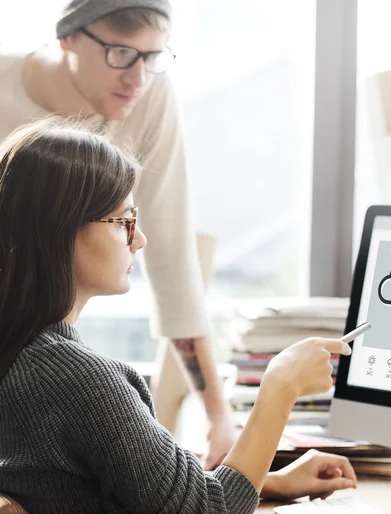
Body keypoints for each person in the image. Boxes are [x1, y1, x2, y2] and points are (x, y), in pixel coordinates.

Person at [0, 118, 357, 513]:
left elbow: (107, 489)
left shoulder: (22, 357)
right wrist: (281, 387)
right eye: (124, 222)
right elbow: (208, 510)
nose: (140, 239)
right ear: (61, 231)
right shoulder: (78, 380)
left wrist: (265, 483)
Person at [0, 0, 236, 468]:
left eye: (153, 57)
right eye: (121, 53)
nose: (138, 78)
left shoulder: (150, 95)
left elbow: (170, 258)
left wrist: (218, 417)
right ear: (67, 37)